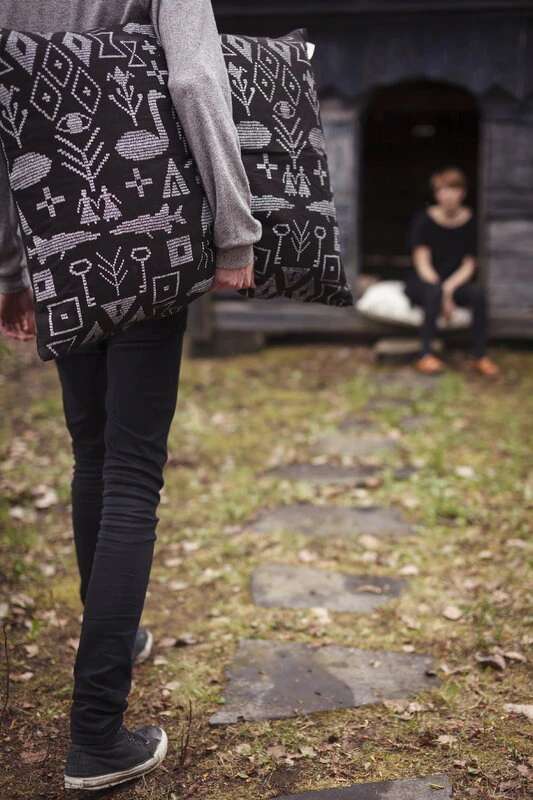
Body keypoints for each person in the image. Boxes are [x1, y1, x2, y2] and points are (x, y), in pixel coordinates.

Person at [0, 0, 262, 791]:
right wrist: (235, 229)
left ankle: (112, 638)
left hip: (55, 238)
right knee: (130, 474)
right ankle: (96, 735)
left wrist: (12, 266)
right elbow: (195, 79)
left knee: (93, 453)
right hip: (150, 230)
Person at [405, 167, 500, 376]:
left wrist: (448, 290)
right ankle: (425, 355)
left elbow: (469, 264)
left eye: (452, 189)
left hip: (455, 281)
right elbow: (422, 263)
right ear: (436, 194)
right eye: (441, 190)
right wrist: (440, 291)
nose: (446, 195)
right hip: (425, 280)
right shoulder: (424, 219)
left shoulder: (472, 222)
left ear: (462, 192)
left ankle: (481, 357)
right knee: (433, 292)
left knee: (478, 293)